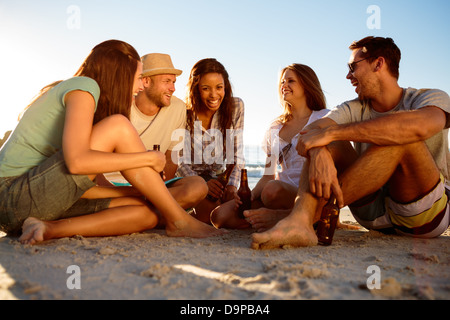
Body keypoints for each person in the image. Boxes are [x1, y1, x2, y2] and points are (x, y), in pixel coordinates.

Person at [0, 40, 224, 245]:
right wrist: (148, 158)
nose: (139, 87)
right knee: (118, 124)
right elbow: (77, 162)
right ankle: (179, 221)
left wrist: (138, 194)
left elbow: (80, 186)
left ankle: (48, 228)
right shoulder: (83, 87)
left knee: (145, 214)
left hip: (37, 205)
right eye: (137, 78)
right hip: (11, 196)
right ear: (121, 74)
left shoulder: (93, 104)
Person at [251, 36, 450, 249]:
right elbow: (310, 133)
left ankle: (301, 217)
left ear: (378, 64)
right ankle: (300, 220)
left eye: (353, 67)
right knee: (323, 142)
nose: (348, 76)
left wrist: (332, 133)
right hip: (370, 212)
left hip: (423, 214)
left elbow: (420, 126)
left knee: (402, 139)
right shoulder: (353, 108)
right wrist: (321, 150)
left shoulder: (428, 98)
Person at [211, 64, 329, 230]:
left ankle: (306, 216)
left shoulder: (323, 117)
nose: (284, 85)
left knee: (272, 190)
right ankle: (278, 220)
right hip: (275, 194)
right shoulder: (275, 127)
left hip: (307, 193)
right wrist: (249, 197)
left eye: (291, 81)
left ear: (306, 84)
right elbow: (268, 175)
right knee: (219, 216)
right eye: (282, 82)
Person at [100, 53, 208, 211]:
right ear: (146, 81)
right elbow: (94, 155)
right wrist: (111, 190)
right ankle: (152, 212)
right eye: (166, 82)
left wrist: (159, 192)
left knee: (197, 185)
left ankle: (147, 210)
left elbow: (171, 158)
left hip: (151, 186)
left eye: (173, 82)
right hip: (113, 187)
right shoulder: (118, 104)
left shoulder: (177, 108)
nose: (173, 88)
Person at [176, 58, 245, 223]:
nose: (214, 95)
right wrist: (202, 184)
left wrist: (231, 186)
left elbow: (237, 154)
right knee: (208, 215)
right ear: (196, 89)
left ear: (225, 87)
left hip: (218, 179)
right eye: (206, 88)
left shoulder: (235, 107)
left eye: (219, 87)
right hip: (190, 180)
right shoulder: (182, 113)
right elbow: (179, 161)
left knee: (236, 207)